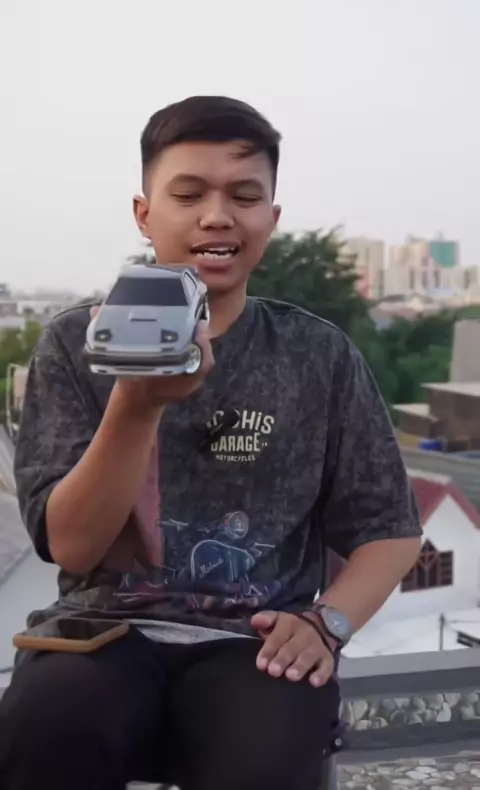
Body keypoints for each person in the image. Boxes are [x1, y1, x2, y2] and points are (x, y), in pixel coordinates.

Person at [0, 96, 422, 790]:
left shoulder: (317, 354)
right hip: (99, 630)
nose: (217, 216)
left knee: (266, 759)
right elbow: (72, 546)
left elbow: (390, 529)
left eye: (244, 196)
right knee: (48, 727)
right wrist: (136, 402)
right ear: (144, 214)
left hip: (254, 639)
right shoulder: (78, 343)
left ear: (271, 220)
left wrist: (327, 623)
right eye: (189, 194)